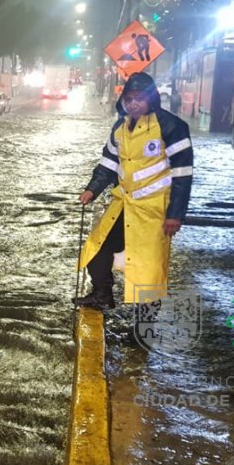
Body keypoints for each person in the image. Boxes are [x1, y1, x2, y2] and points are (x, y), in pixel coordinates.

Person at [73, 72, 194, 310]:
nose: (134, 103)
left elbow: (182, 174)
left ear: (152, 98)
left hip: (154, 213)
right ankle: (102, 294)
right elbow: (109, 164)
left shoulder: (172, 127)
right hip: (124, 205)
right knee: (97, 248)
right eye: (129, 98)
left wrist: (175, 215)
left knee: (147, 268)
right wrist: (92, 190)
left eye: (139, 98)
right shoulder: (120, 127)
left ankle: (144, 330)